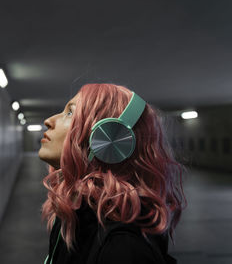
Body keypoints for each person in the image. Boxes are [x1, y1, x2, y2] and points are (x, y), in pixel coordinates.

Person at [38, 83, 187, 264]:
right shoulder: (76, 213)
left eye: (70, 113)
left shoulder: (123, 248)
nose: (49, 121)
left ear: (107, 137)